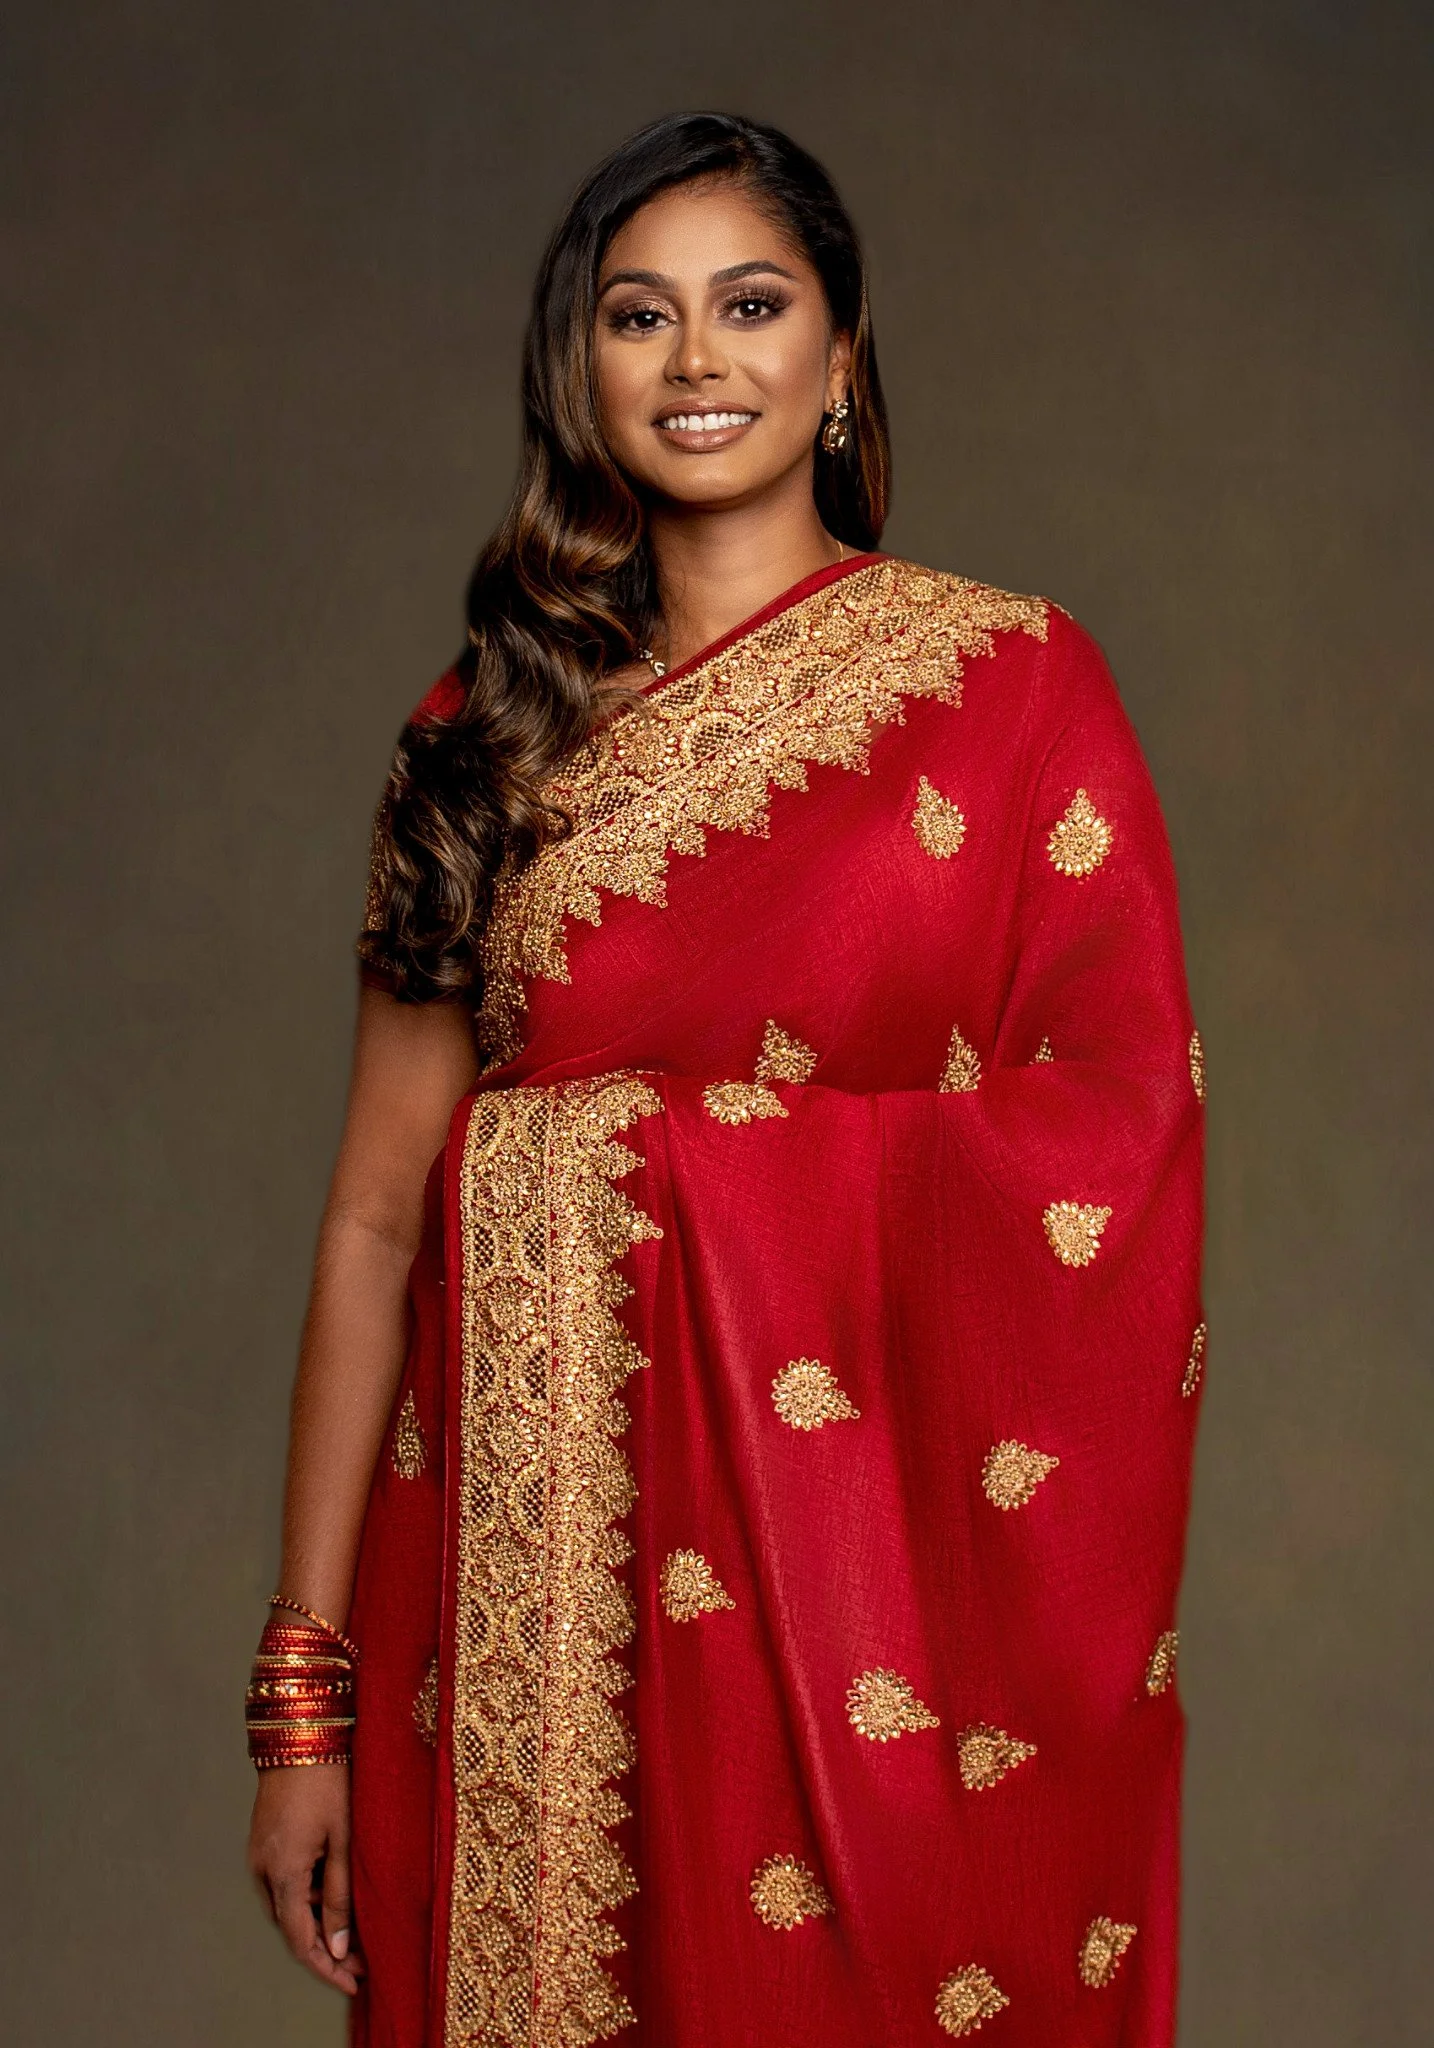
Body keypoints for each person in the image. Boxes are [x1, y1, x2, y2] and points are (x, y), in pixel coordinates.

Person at [245, 112, 1205, 2048]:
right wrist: (304, 1694)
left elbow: (1119, 1145)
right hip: (502, 1619)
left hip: (874, 1644)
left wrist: (641, 1162)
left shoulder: (1015, 688)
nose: (696, 362)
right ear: (577, 369)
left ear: (840, 357)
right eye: (639, 315)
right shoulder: (479, 737)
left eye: (751, 306)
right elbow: (371, 1217)